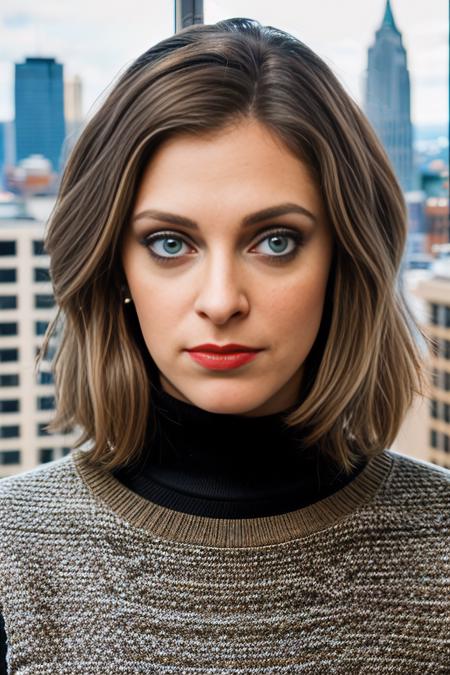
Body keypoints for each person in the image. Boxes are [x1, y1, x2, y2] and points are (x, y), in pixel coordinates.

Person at [0, 17, 449, 674]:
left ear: (344, 258)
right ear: (115, 268)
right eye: (170, 243)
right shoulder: (13, 550)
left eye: (275, 241)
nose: (220, 299)